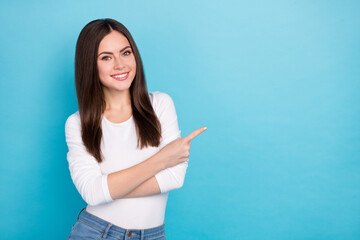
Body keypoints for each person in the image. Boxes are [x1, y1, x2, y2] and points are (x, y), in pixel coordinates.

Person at [65, 18, 207, 240]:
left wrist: (108, 189)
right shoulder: (78, 123)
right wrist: (162, 159)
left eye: (126, 53)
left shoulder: (160, 105)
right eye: (106, 57)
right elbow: (91, 193)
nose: (120, 65)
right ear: (89, 65)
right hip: (96, 232)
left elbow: (174, 178)